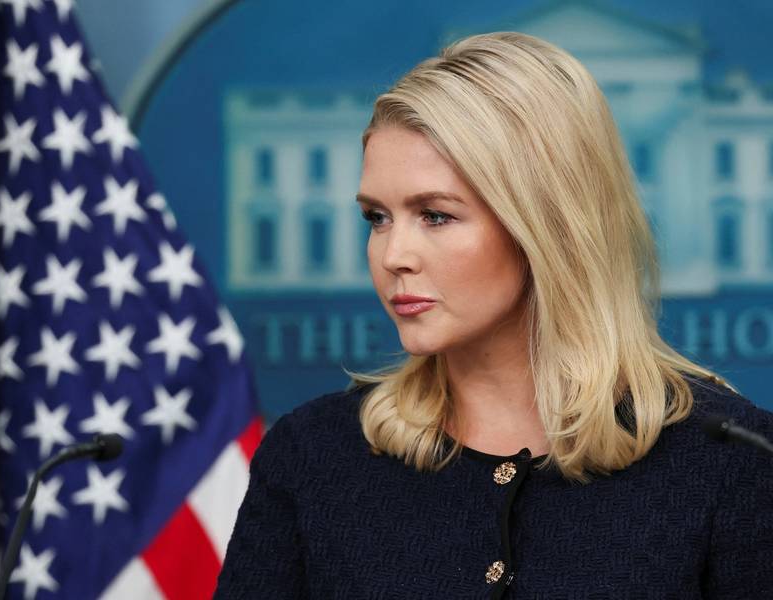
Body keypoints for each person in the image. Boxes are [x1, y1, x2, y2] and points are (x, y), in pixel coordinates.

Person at [213, 31, 773, 599]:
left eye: (435, 215)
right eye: (377, 218)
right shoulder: (312, 454)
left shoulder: (730, 458)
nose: (392, 255)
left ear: (548, 224)